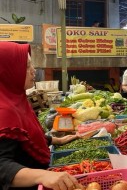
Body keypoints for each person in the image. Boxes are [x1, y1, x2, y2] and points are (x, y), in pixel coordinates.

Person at [0, 42, 80, 190]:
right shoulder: (3, 110)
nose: (33, 70)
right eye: (27, 65)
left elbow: (24, 137)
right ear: (7, 70)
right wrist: (42, 176)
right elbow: (2, 165)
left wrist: (56, 140)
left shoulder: (17, 99)